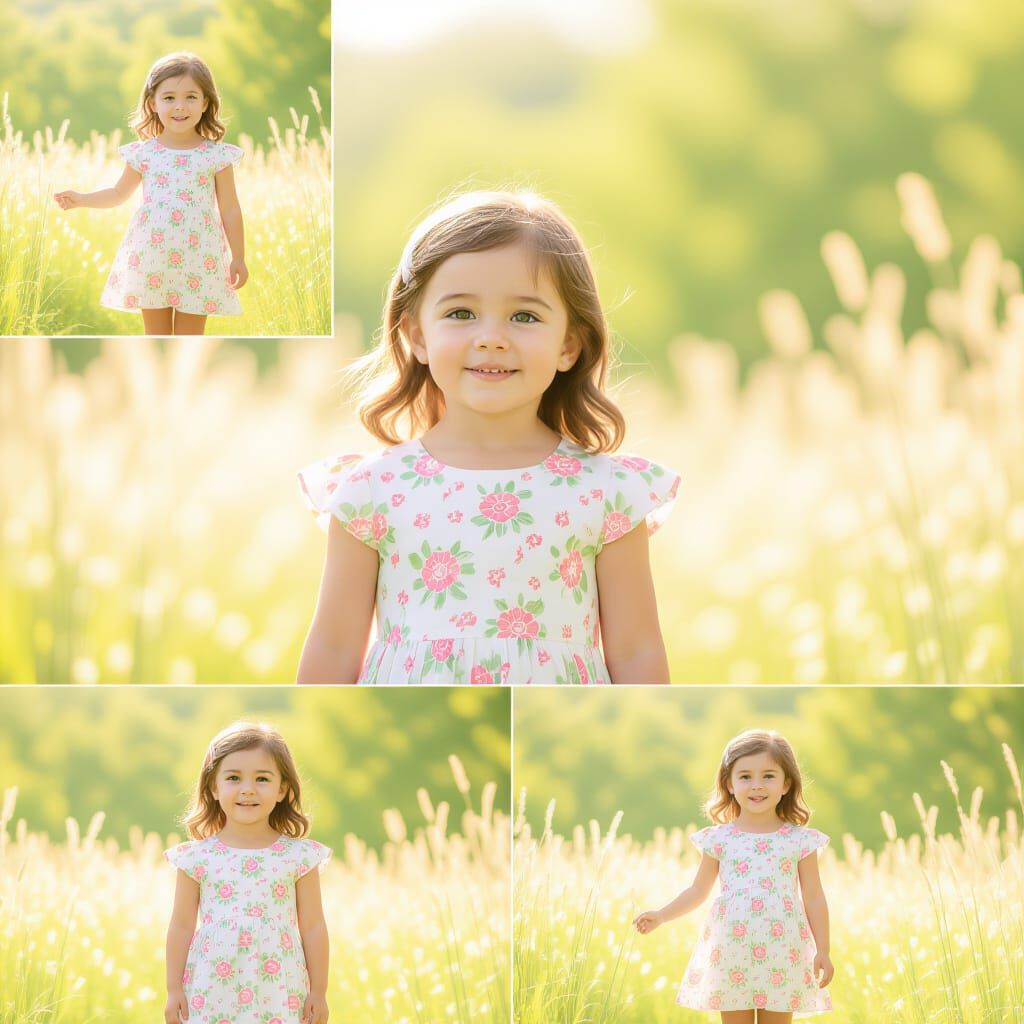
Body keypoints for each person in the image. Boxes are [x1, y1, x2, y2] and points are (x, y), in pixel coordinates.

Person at [298, 190, 679, 684]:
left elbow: (638, 653)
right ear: (416, 335)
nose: (491, 337)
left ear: (569, 343)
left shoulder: (607, 493)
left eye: (524, 316)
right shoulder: (371, 490)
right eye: (460, 314)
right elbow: (332, 648)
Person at [634, 729, 834, 1022]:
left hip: (783, 951)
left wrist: (823, 950)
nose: (757, 786)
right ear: (728, 783)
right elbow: (698, 891)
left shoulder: (799, 840)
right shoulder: (719, 839)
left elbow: (814, 897)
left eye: (768, 776)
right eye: (745, 777)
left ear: (786, 784)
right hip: (731, 950)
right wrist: (662, 915)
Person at [54, 52, 247, 335]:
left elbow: (230, 209)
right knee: (155, 336)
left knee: (190, 338)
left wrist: (238, 256)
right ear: (152, 103)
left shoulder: (216, 156)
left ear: (205, 103)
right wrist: (82, 198)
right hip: (151, 257)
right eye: (169, 97)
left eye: (191, 97)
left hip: (199, 259)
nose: (180, 106)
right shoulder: (144, 153)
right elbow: (118, 193)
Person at [164, 721, 330, 1024]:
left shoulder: (298, 857)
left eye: (262, 779)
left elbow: (313, 926)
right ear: (214, 787)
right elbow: (181, 926)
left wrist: (318, 990)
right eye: (233, 778)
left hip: (280, 986)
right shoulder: (196, 858)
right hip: (212, 986)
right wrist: (173, 988)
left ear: (282, 789)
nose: (248, 789)